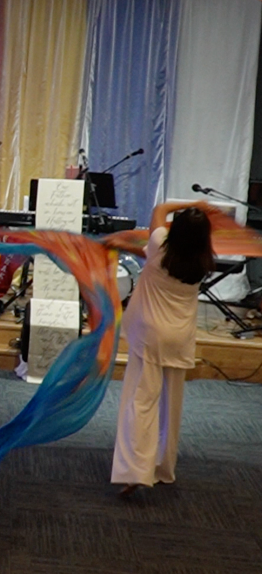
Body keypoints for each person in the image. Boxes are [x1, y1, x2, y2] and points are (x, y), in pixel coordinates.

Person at [111, 201, 215, 497]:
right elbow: (152, 256)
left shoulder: (159, 244)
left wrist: (194, 203)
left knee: (141, 401)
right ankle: (162, 467)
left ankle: (136, 470)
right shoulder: (202, 260)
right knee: (172, 405)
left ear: (174, 231)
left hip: (151, 335)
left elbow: (159, 208)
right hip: (180, 336)